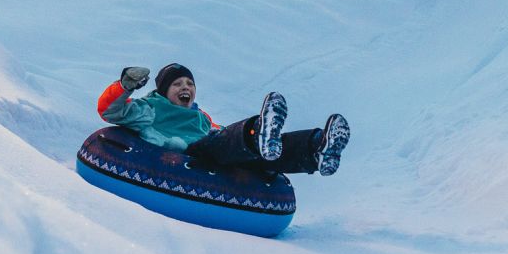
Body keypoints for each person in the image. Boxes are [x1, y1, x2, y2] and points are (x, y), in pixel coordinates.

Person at [95, 63, 350, 176]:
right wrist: (125, 85)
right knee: (218, 145)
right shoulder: (151, 108)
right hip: (188, 154)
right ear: (163, 90)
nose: (186, 87)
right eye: (177, 83)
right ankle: (258, 132)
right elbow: (110, 111)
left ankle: (316, 148)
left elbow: (222, 133)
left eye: (190, 83)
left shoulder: (201, 117)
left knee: (259, 155)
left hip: (212, 150)